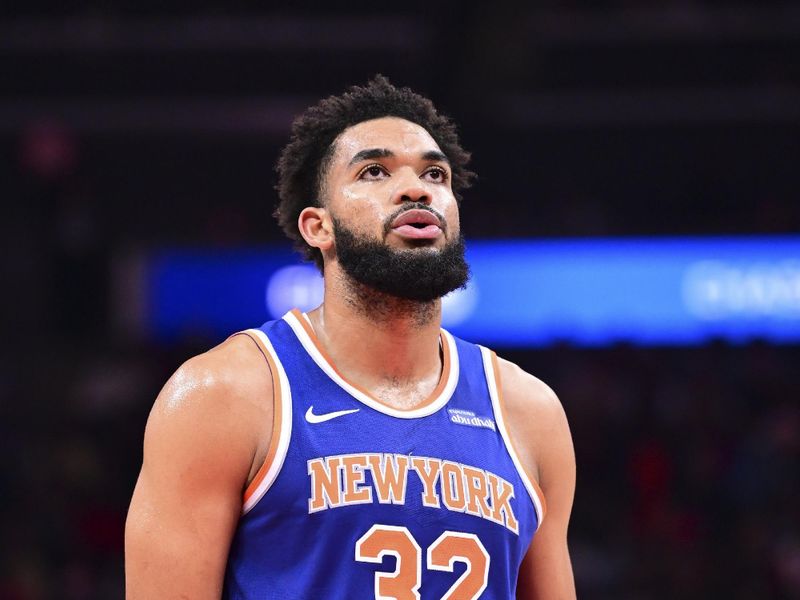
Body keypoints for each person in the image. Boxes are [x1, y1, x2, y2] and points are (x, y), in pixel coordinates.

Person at [125, 75, 576, 599]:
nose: (416, 188)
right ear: (319, 227)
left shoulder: (529, 412)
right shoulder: (224, 395)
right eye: (374, 171)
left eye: (435, 173)